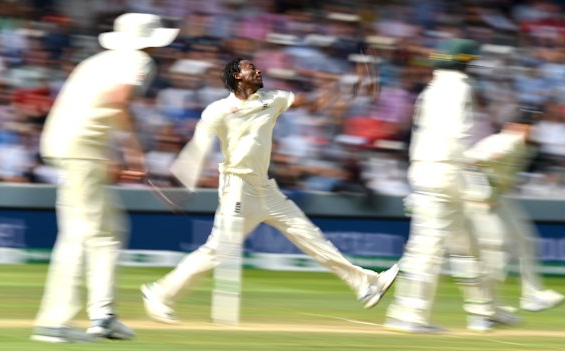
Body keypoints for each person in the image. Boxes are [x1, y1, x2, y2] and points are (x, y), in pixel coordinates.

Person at [140, 57, 399, 324]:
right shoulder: (218, 110)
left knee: (311, 237)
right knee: (217, 250)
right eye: (250, 68)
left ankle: (366, 283)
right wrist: (180, 183)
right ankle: (158, 294)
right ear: (237, 77)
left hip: (266, 189)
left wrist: (352, 85)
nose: (258, 70)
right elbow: (197, 147)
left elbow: (313, 102)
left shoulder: (273, 98)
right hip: (238, 188)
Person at [31, 13, 179, 343]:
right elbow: (117, 100)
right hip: (82, 149)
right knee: (81, 234)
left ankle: (103, 316)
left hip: (73, 146)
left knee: (107, 232)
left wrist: (104, 160)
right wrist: (134, 153)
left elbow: (90, 110)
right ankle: (55, 322)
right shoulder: (139, 60)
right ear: (151, 41)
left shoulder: (96, 61)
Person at [384, 39, 514, 333]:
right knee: (429, 247)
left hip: (428, 171)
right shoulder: (459, 88)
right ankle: (411, 314)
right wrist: (473, 167)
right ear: (466, 62)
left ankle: (484, 311)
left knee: (466, 245)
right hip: (444, 173)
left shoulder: (431, 90)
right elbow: (454, 136)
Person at [462, 121, 565, 312]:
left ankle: (531, 296)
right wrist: (486, 190)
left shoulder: (525, 145)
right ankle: (487, 307)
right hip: (481, 201)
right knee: (495, 251)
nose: (533, 132)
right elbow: (472, 162)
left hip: (499, 199)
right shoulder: (505, 143)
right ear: (517, 127)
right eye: (529, 128)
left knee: (525, 241)